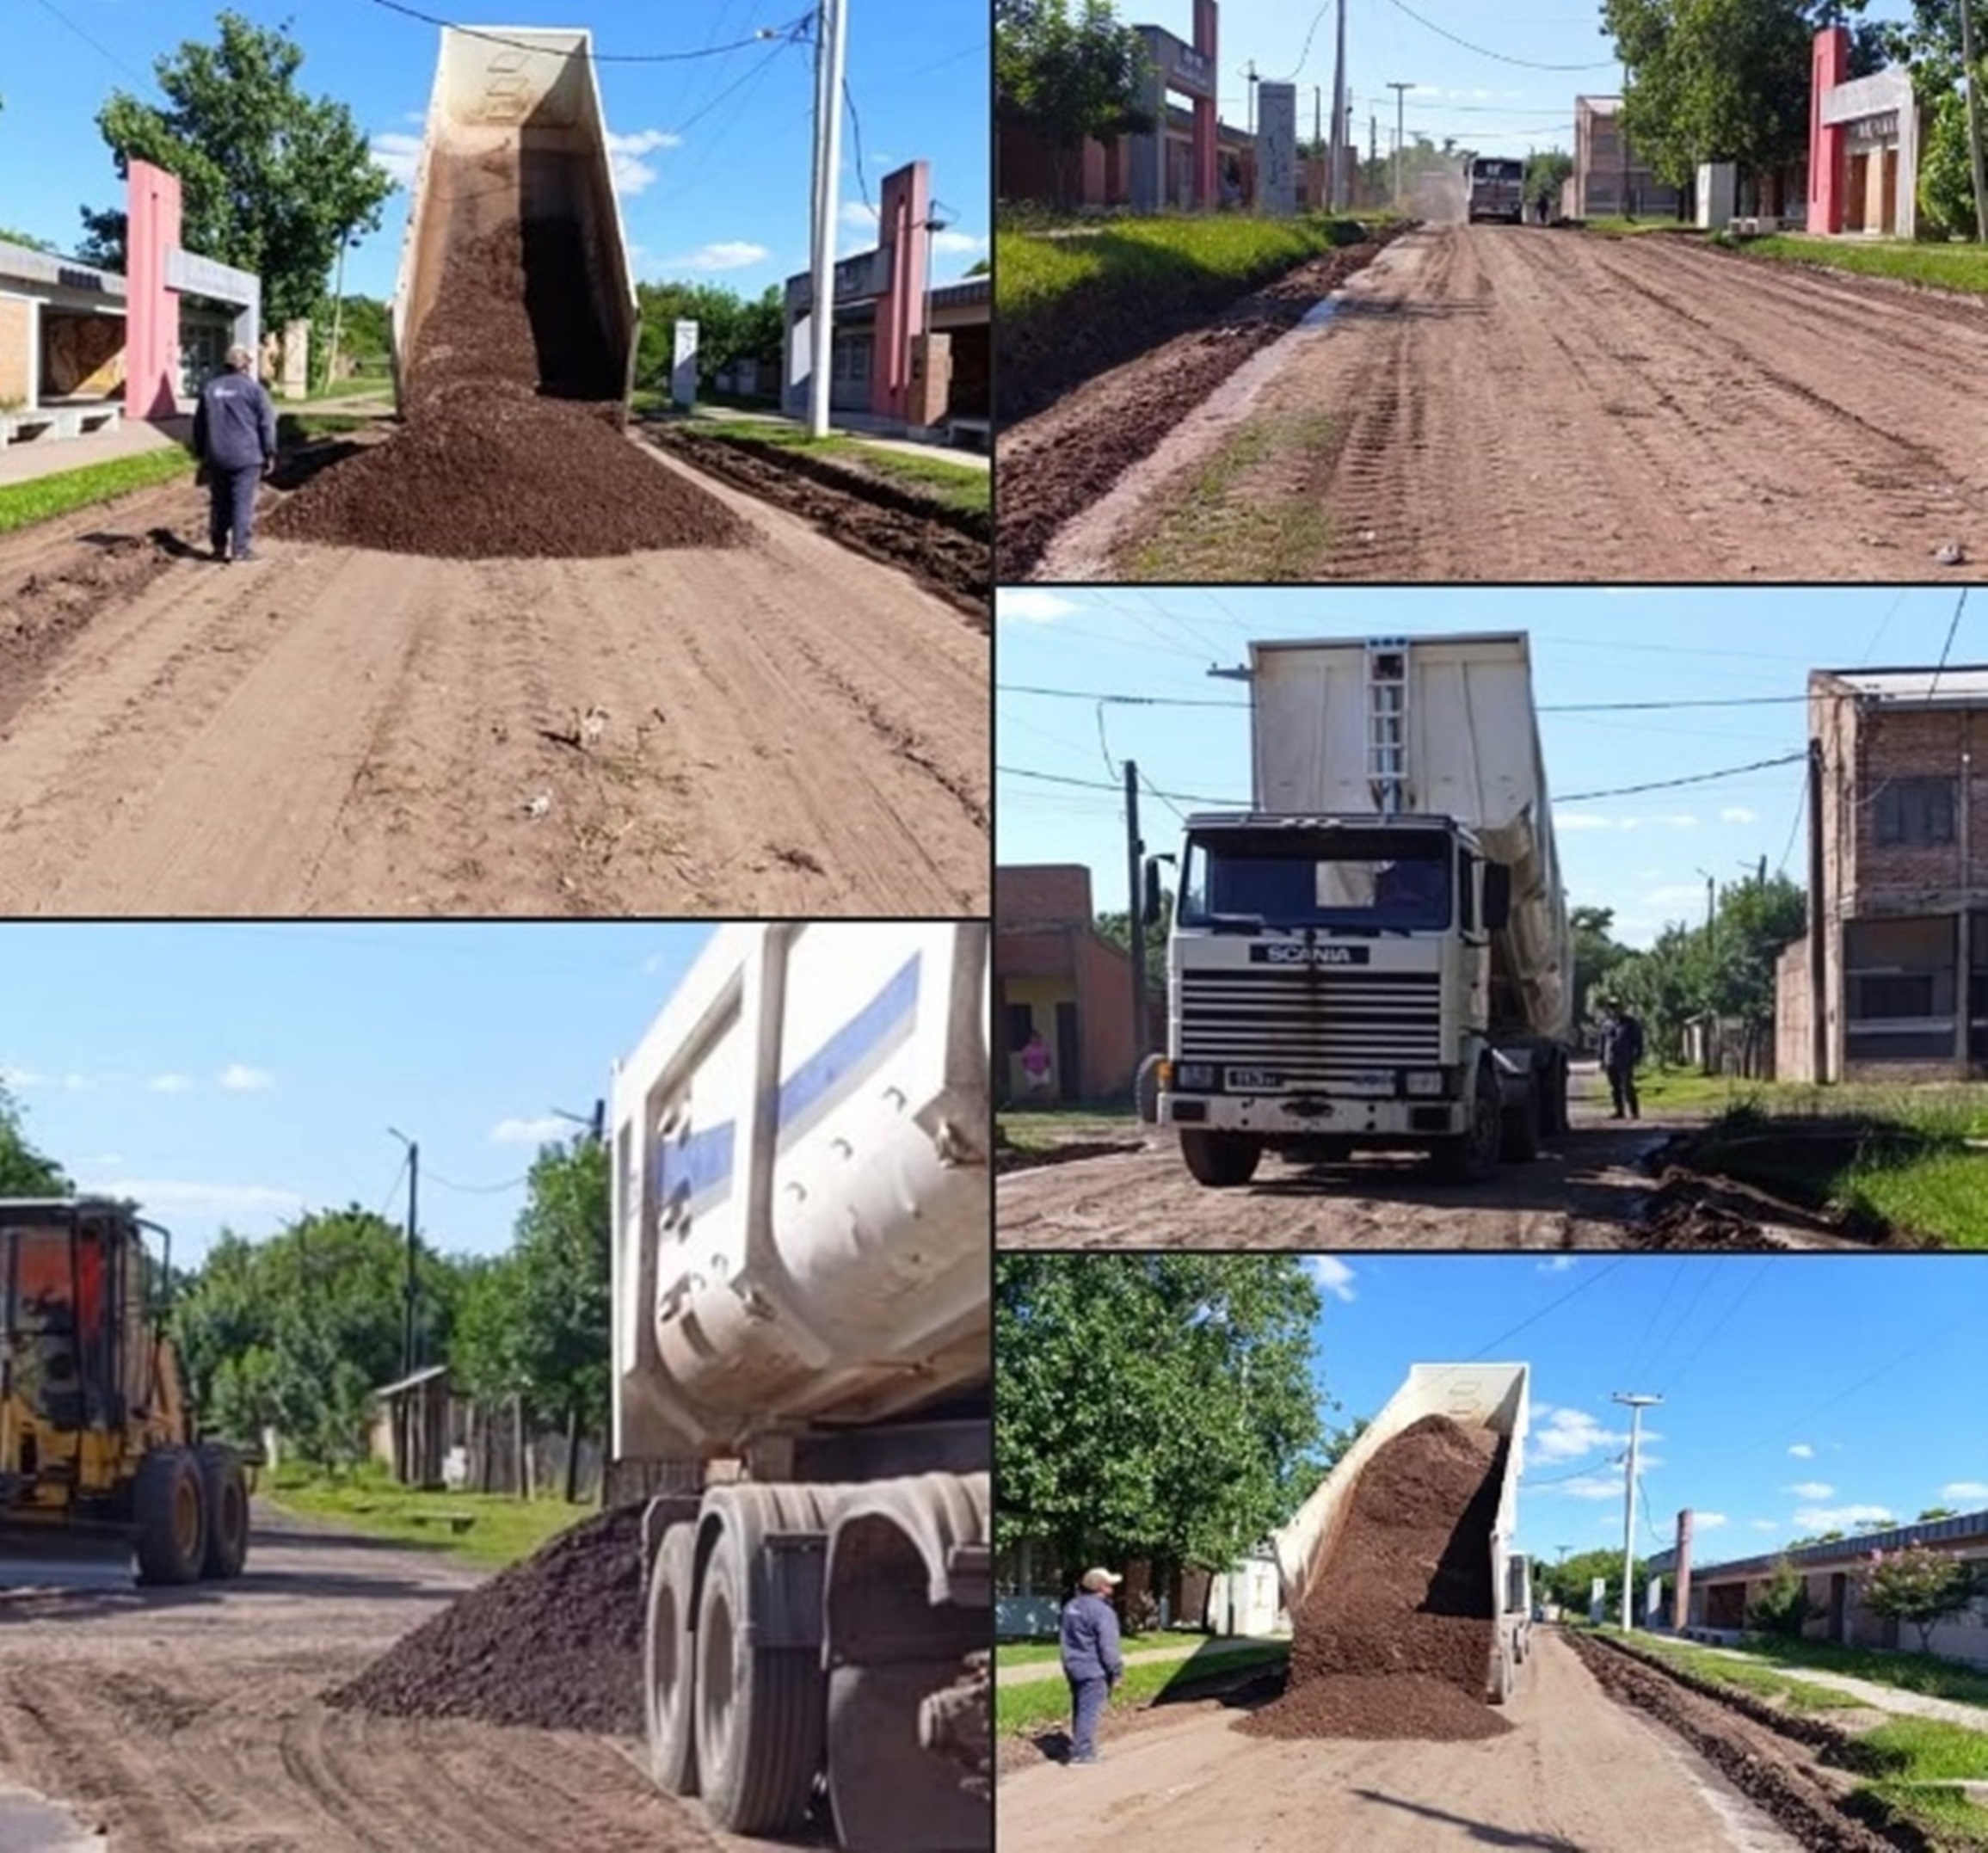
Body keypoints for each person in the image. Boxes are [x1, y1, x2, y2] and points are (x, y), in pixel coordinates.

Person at [191, 344, 277, 563]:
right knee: (242, 502)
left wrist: (202, 452)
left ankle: (218, 547)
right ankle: (240, 549)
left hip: (217, 455)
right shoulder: (255, 391)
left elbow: (199, 425)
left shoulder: (210, 388)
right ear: (247, 364)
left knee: (219, 502)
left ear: (226, 364)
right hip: (246, 457)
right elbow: (267, 424)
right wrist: (269, 452)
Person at [1060, 1567, 1123, 1766]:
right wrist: (1116, 1670)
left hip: (1072, 1664)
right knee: (1090, 1710)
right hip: (1094, 1668)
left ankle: (1080, 1744)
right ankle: (1083, 1753)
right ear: (1102, 1587)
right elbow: (1108, 1646)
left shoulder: (1071, 1606)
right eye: (1110, 1584)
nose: (1113, 1587)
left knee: (1080, 1707)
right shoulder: (1103, 1612)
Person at [1597, 998, 1645, 1121]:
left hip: (1625, 1060)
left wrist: (1638, 1056)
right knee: (1614, 1088)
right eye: (1611, 1007)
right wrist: (1601, 1059)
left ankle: (1634, 1112)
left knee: (1627, 1086)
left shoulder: (1630, 1023)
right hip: (1611, 1060)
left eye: (1616, 1006)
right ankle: (1619, 1111)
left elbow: (1638, 1042)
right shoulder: (1606, 1024)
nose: (1613, 1010)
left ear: (1621, 1008)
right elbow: (1602, 1042)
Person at [1019, 1029, 1055, 1103]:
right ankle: (1036, 1103)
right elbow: (1024, 1060)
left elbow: (1048, 1058)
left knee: (1045, 1086)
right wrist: (1028, 1069)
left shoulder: (1044, 1047)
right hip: (1031, 1071)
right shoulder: (1027, 1049)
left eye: (1036, 1038)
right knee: (1035, 1088)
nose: (1035, 1040)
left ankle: (1048, 1103)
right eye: (1033, 1038)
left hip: (1043, 1070)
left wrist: (1046, 1068)